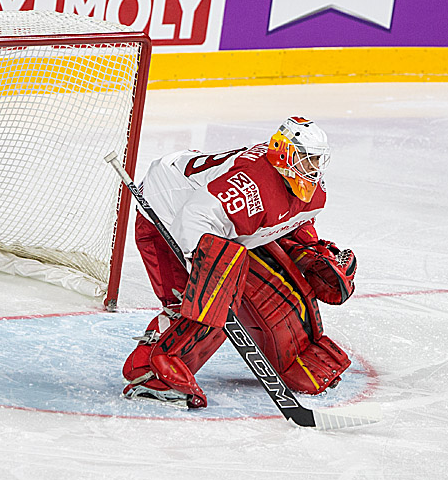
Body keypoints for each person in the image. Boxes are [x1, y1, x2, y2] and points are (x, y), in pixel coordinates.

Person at [122, 116, 357, 408]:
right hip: (166, 210)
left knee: (277, 293)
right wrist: (205, 272)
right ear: (285, 155)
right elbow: (194, 218)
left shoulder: (309, 188)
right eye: (307, 159)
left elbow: (291, 220)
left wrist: (309, 252)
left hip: (222, 223)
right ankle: (152, 374)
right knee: (201, 305)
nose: (314, 169)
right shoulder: (249, 186)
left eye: (317, 160)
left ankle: (297, 358)